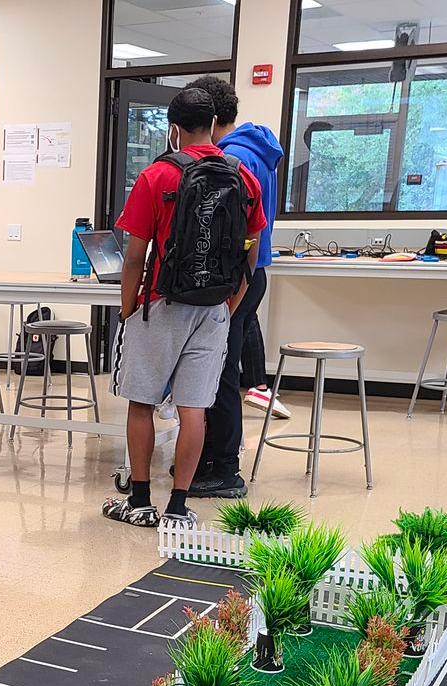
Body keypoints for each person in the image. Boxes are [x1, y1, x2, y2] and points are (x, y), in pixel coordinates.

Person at [102, 87, 265, 528]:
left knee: (141, 402)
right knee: (194, 407)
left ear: (173, 129)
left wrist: (128, 307)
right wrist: (229, 304)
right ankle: (178, 509)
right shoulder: (242, 176)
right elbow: (251, 249)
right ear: (213, 125)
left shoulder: (156, 177)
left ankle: (139, 503)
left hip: (161, 303)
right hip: (214, 306)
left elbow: (135, 253)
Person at [186, 76, 288, 500]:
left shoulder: (231, 160)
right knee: (220, 367)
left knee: (220, 371)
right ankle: (208, 456)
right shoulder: (257, 149)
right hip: (254, 271)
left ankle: (224, 468)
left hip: (235, 277)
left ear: (206, 119)